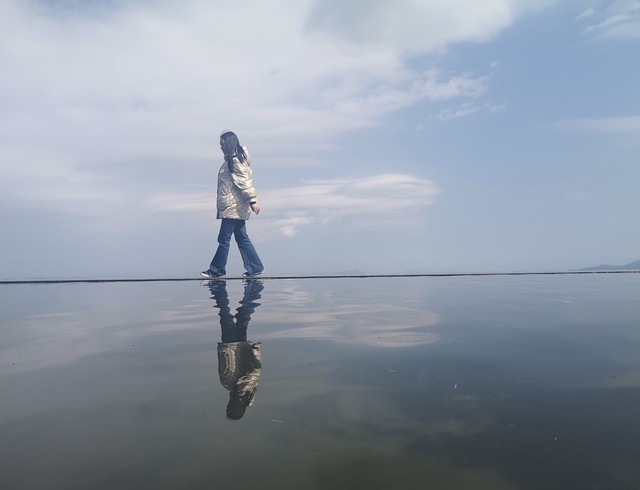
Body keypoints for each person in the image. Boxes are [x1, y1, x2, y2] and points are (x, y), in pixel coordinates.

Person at [201, 130, 265, 279]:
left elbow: (244, 182)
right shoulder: (233, 160)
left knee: (224, 240)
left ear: (229, 144)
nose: (221, 147)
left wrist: (253, 200)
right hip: (235, 207)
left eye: (223, 144)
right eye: (220, 145)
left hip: (233, 207)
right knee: (242, 238)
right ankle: (255, 268)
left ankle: (217, 270)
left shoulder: (235, 161)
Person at [208, 279, 264, 420]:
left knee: (242, 313)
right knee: (225, 312)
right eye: (229, 408)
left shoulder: (231, 388)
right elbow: (255, 371)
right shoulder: (242, 391)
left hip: (232, 346)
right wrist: (254, 350)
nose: (227, 406)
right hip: (234, 345)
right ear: (234, 407)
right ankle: (219, 286)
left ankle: (254, 287)